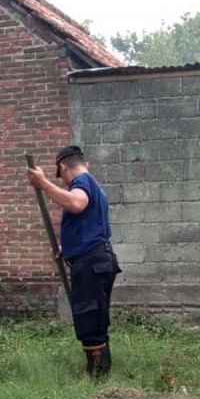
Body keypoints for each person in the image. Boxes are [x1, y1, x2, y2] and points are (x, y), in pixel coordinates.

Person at [27, 146, 120, 378]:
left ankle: (96, 376)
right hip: (97, 259)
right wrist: (68, 247)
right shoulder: (94, 186)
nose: (64, 182)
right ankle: (102, 371)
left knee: (89, 318)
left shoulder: (82, 181)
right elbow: (89, 224)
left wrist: (44, 184)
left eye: (61, 176)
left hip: (91, 262)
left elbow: (76, 204)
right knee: (96, 317)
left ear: (63, 167)